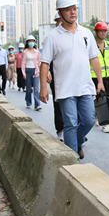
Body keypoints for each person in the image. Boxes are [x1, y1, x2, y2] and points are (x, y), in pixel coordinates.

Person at [39, 0, 105, 159]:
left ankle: (77, 142)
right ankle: (72, 161)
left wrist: (100, 81)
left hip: (85, 86)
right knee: (70, 124)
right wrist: (43, 89)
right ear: (60, 14)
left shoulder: (86, 33)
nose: (72, 12)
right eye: (67, 10)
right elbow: (45, 63)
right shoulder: (52, 37)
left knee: (89, 120)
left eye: (74, 8)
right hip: (65, 89)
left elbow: (94, 58)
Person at [90, 21, 109, 133]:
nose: (103, 33)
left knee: (103, 97)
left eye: (105, 31)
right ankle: (105, 123)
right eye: (101, 31)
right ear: (96, 31)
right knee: (103, 98)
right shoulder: (91, 45)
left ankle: (97, 116)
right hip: (95, 76)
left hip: (107, 76)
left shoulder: (108, 44)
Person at [47, 12, 64, 141]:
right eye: (58, 21)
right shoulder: (51, 37)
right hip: (56, 75)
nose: (60, 22)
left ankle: (74, 129)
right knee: (58, 103)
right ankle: (60, 130)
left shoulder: (74, 34)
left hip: (71, 75)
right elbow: (45, 60)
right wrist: (47, 71)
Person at [21, 35, 42, 111]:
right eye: (30, 41)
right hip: (27, 71)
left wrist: (40, 72)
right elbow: (23, 63)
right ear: (27, 42)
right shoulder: (24, 52)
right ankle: (28, 102)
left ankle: (37, 105)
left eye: (33, 41)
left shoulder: (37, 52)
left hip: (36, 71)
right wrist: (23, 73)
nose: (31, 42)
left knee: (36, 89)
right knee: (29, 89)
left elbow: (39, 62)